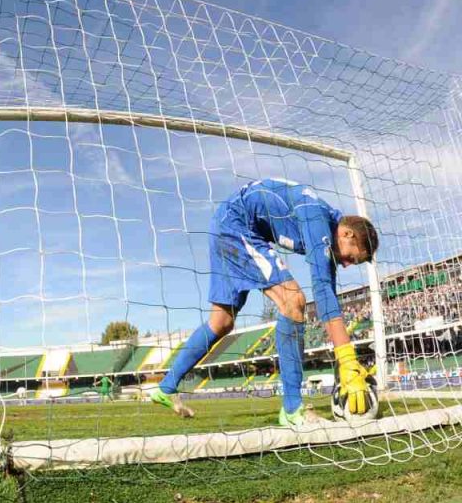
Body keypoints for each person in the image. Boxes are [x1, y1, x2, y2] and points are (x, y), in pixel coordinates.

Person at [149, 178, 379, 425]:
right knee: (293, 300)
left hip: (228, 225)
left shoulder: (325, 229)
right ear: (347, 234)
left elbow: (328, 296)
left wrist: (343, 360)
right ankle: (292, 410)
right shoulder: (317, 219)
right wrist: (348, 362)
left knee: (222, 322)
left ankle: (166, 387)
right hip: (237, 225)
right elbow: (321, 292)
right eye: (351, 258)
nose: (346, 264)